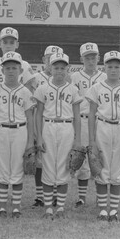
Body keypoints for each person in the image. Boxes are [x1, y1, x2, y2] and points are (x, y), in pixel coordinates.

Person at [0, 27, 34, 207]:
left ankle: (16, 205)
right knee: (1, 167)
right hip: (1, 129)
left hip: (20, 129)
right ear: (2, 70)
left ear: (20, 70)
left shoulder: (25, 88)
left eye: (14, 68)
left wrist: (31, 140)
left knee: (18, 167)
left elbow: (30, 113)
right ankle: (2, 204)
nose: (11, 71)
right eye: (8, 68)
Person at [86, 51, 120, 223]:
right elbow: (91, 115)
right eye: (110, 66)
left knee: (116, 171)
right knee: (102, 169)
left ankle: (113, 211)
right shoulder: (96, 88)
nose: (113, 69)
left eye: (117, 66)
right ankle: (102, 211)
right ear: (104, 67)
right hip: (102, 127)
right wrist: (92, 140)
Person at [33, 53, 82, 219]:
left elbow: (77, 116)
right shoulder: (42, 88)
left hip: (67, 127)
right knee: (47, 165)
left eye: (62, 68)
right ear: (50, 68)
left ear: (67, 69)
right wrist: (38, 137)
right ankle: (48, 208)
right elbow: (38, 114)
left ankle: (60, 207)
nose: (59, 71)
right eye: (56, 67)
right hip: (48, 126)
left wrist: (78, 140)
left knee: (63, 166)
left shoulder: (73, 89)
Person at [70, 42, 106, 208]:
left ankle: (101, 197)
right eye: (87, 57)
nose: (91, 60)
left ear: (98, 58)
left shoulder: (105, 77)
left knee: (100, 159)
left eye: (93, 57)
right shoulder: (75, 77)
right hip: (82, 119)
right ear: (81, 59)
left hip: (100, 121)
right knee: (82, 159)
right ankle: (82, 197)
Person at [30, 45, 63, 209]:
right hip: (40, 120)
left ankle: (55, 194)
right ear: (44, 60)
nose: (52, 62)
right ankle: (39, 195)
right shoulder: (35, 78)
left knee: (57, 159)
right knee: (40, 161)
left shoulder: (66, 79)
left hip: (57, 123)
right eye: (49, 58)